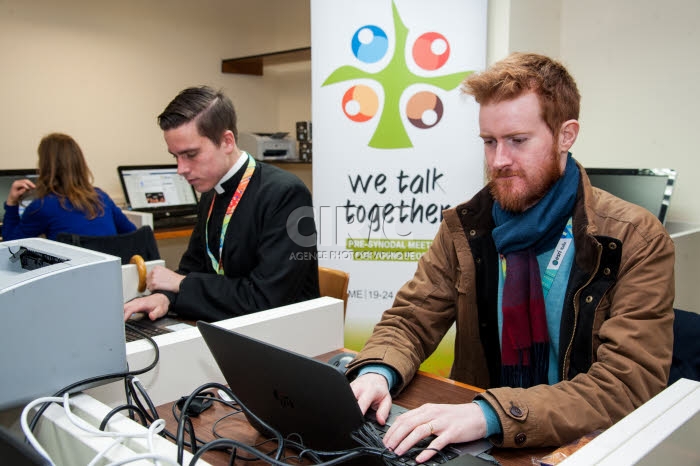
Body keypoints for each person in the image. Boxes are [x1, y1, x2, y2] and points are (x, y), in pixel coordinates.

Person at [347, 52, 675, 463]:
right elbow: (411, 319)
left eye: (517, 141)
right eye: (489, 142)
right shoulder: (465, 227)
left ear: (566, 135)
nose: (499, 160)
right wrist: (378, 370)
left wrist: (491, 414)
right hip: (480, 443)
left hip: (581, 447)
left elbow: (628, 384)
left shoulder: (635, 239)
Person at [123, 86, 320, 323]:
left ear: (227, 141)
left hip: (283, 337)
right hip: (227, 327)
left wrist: (181, 285)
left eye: (191, 154)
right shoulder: (211, 189)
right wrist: (165, 297)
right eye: (175, 156)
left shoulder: (286, 194)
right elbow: (192, 267)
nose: (181, 169)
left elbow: (266, 300)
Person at [2, 133, 136, 241]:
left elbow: (11, 249)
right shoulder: (101, 197)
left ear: (45, 167)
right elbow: (133, 235)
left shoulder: (43, 206)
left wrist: (12, 203)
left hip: (70, 274)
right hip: (108, 273)